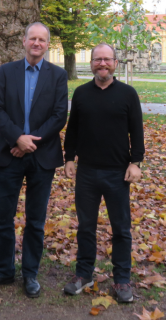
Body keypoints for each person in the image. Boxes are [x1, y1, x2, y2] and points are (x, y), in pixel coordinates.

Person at [0, 22, 68, 298]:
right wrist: (17, 138)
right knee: (2, 218)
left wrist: (29, 143)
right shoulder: (7, 71)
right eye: (33, 38)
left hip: (42, 158)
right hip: (10, 154)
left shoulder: (58, 75)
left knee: (36, 220)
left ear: (47, 44)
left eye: (42, 39)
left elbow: (59, 116)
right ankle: (4, 271)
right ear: (24, 40)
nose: (37, 43)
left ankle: (30, 274)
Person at [63, 43, 145, 302]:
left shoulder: (128, 94)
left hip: (117, 173)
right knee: (85, 227)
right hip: (86, 172)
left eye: (107, 60)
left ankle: (122, 280)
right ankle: (84, 273)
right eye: (97, 60)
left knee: (121, 228)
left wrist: (136, 162)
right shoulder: (81, 93)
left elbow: (137, 131)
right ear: (91, 64)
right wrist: (69, 158)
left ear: (115, 63)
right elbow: (73, 128)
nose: (102, 64)